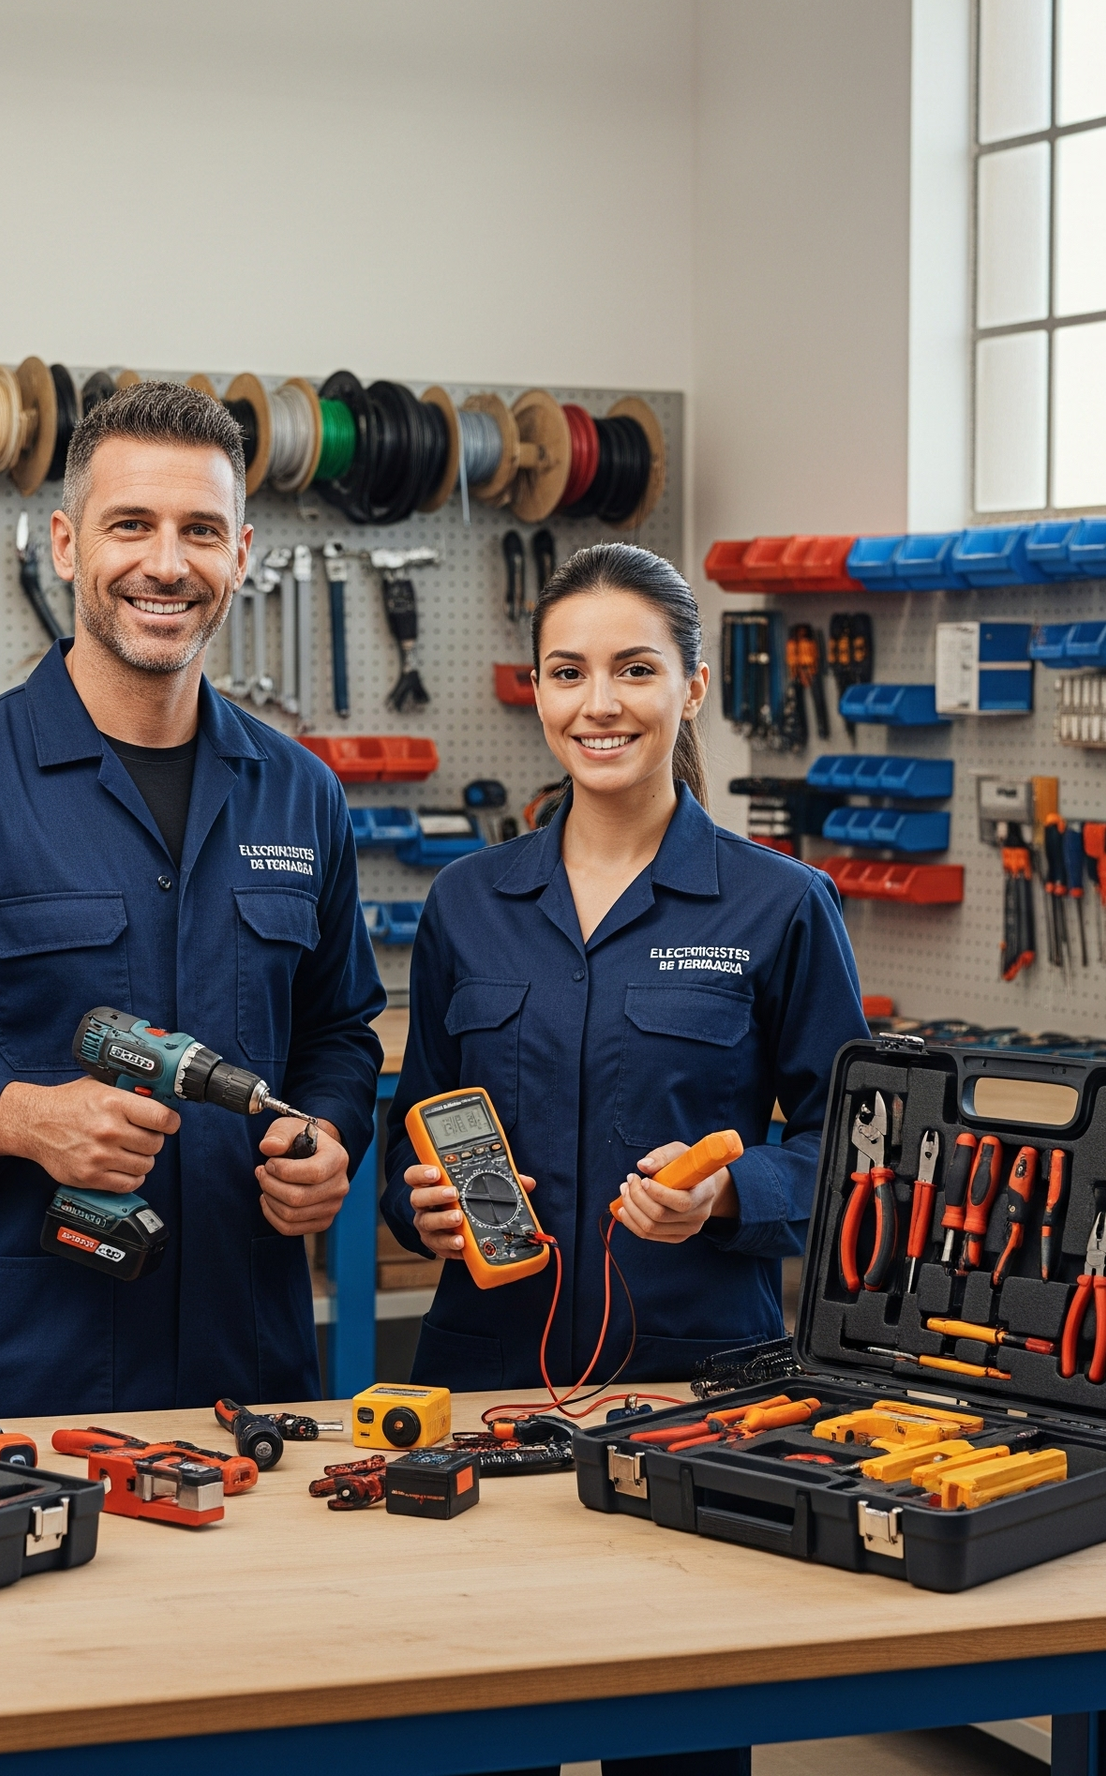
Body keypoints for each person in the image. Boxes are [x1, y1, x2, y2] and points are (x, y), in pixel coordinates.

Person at [0, 381, 385, 1417]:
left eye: (201, 530)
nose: (166, 563)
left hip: (250, 1369)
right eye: (130, 524)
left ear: (240, 556)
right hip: (22, 1382)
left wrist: (327, 1133)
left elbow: (340, 1030)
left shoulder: (301, 792)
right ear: (66, 544)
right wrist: (19, 1117)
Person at [382, 545, 866, 1776]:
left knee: (679, 1735)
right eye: (568, 672)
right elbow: (416, 1125)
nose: (599, 704)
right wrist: (417, 1204)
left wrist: (733, 1194)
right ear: (538, 690)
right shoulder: (467, 903)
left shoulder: (780, 904)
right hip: (485, 1385)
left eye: (635, 669)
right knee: (480, 1729)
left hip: (696, 1391)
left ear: (692, 687)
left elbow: (857, 1161)